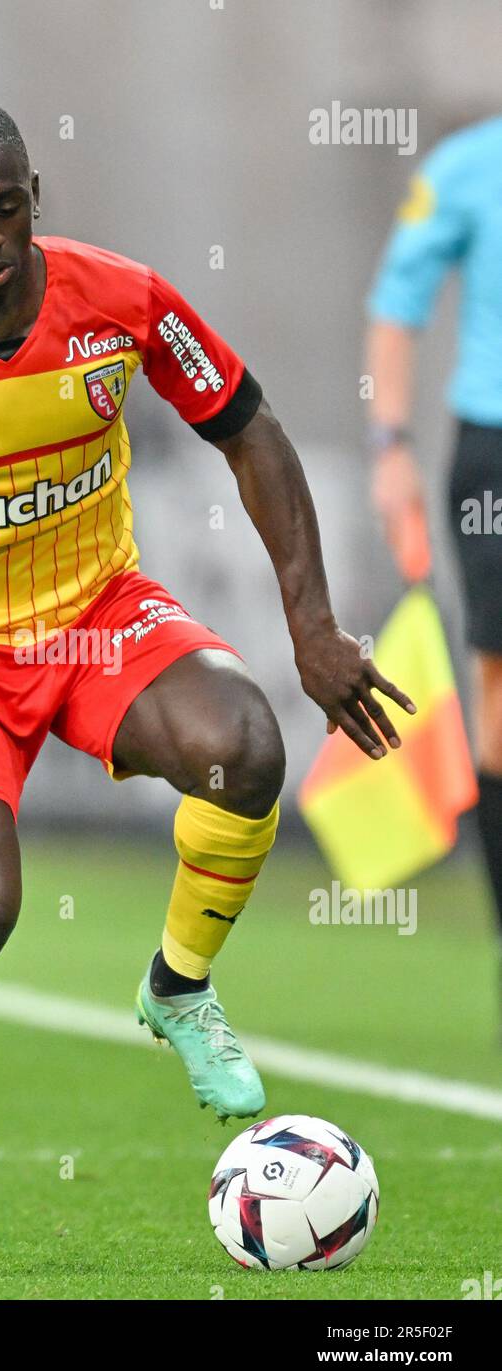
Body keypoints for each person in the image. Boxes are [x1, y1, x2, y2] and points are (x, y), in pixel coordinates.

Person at [0, 99, 414, 1260]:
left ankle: (178, 987)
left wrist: (314, 628)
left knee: (247, 747)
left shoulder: (121, 300)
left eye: (8, 207)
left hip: (96, 612)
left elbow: (251, 430)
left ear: (38, 197)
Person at [366, 114, 502, 994]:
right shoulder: (466, 166)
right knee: (499, 689)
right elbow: (395, 304)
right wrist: (390, 446)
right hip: (494, 450)